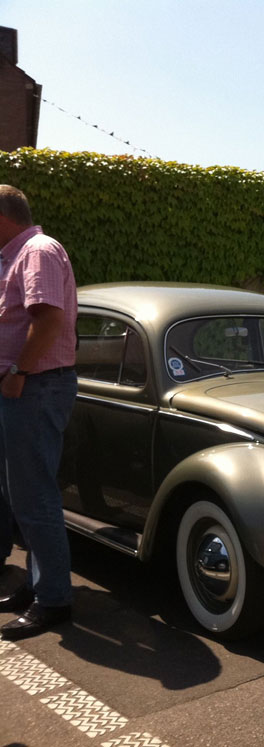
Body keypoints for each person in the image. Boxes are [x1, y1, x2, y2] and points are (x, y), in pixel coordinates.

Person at [0, 185, 78, 641]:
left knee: (35, 495)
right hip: (23, 387)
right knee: (18, 493)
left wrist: (17, 372)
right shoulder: (18, 253)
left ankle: (54, 600)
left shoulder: (38, 251)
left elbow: (47, 320)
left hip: (34, 387)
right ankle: (37, 586)